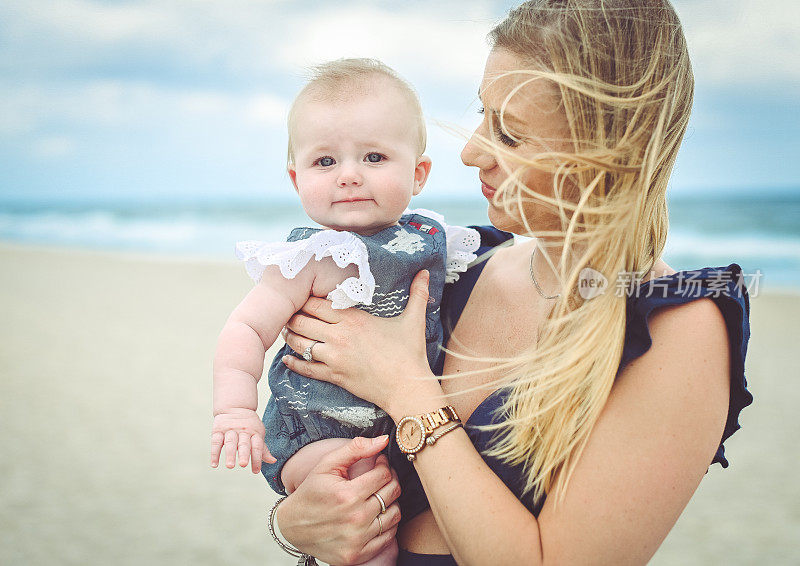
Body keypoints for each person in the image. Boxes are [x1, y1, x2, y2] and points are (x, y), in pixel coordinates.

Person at [269, 1, 754, 565]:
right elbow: (315, 431)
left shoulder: (674, 328)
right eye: (483, 113)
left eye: (512, 135)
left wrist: (407, 391)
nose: (472, 150)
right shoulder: (454, 267)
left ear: (608, 151)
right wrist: (297, 523)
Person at [210, 58, 480, 566]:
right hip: (318, 435)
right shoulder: (306, 260)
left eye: (374, 157)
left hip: (406, 423)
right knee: (363, 502)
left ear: (418, 173)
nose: (350, 176)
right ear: (297, 179)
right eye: (325, 162)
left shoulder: (434, 241)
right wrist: (235, 411)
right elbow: (245, 327)